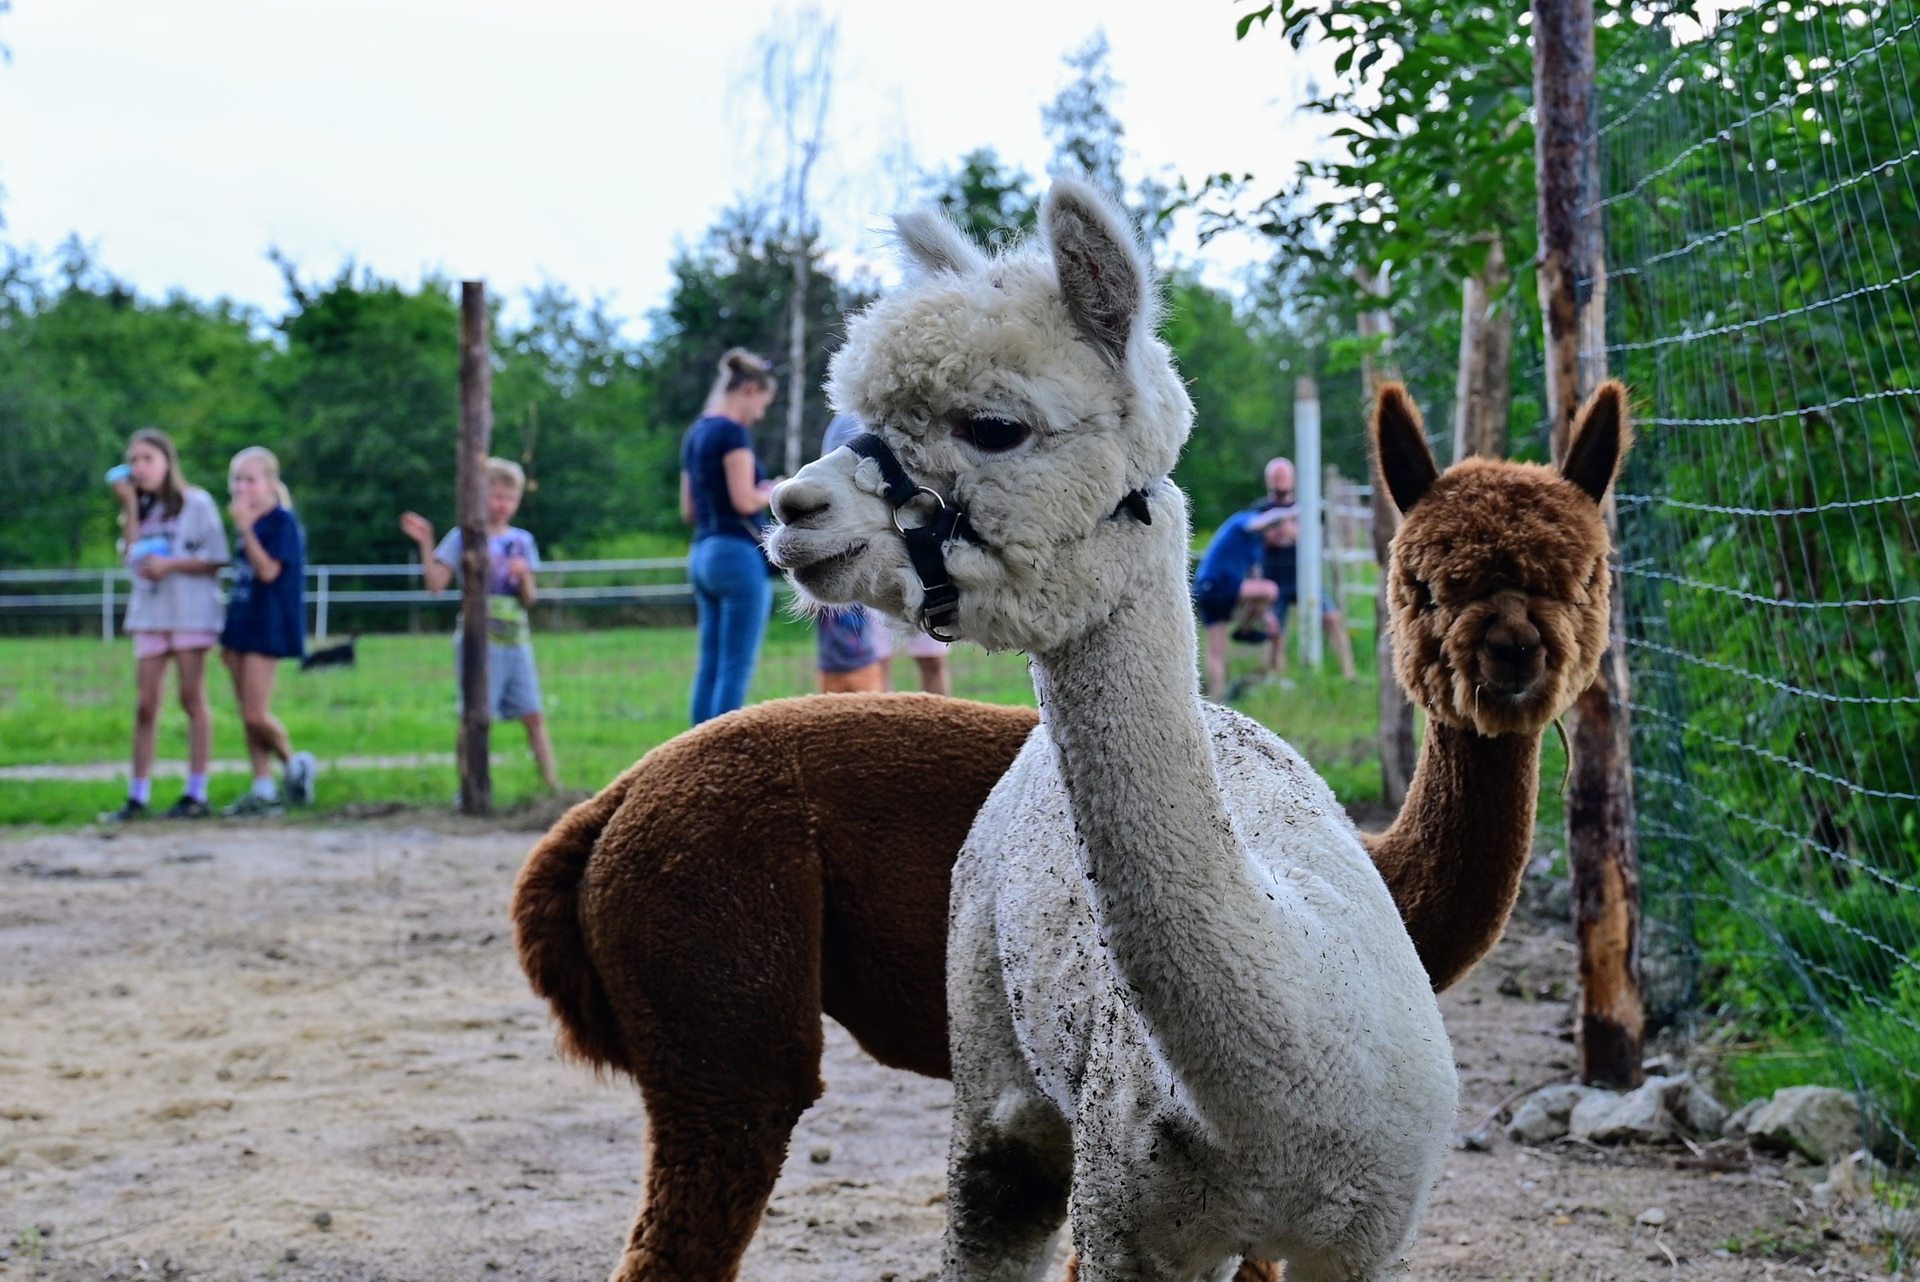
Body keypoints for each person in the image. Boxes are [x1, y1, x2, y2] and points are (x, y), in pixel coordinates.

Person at [398, 457, 560, 791]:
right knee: (474, 718)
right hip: (479, 641)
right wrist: (427, 543)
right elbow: (435, 584)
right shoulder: (463, 537)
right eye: (496, 496)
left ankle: (552, 786)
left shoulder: (522, 542)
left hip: (516, 640)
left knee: (533, 714)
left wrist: (523, 578)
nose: (502, 505)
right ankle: (468, 787)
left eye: (509, 498)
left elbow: (529, 600)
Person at [101, 428, 231, 821]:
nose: (140, 468)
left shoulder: (197, 503)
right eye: (133, 460)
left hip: (190, 612)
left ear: (167, 462)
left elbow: (216, 558)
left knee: (191, 698)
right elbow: (131, 557)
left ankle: (196, 792)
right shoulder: (137, 510)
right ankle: (137, 796)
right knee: (145, 705)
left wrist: (171, 565)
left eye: (147, 459)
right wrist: (130, 508)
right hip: (151, 615)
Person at [819, 412, 953, 695]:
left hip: (922, 554)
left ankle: (939, 729)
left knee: (931, 659)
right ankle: (887, 728)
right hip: (873, 553)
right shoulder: (843, 425)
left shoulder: (912, 414)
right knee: (877, 660)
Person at [218, 447, 317, 817]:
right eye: (237, 480)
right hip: (241, 622)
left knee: (256, 714)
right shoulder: (250, 523)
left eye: (250, 479)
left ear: (270, 484)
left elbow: (268, 572)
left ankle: (295, 765)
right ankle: (263, 785)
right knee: (245, 713)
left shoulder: (281, 522)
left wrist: (245, 528)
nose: (243, 488)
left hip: (270, 624)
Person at [681, 347, 778, 724]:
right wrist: (771, 491)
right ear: (751, 389)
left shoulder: (696, 433)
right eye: (763, 403)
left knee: (709, 664)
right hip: (737, 557)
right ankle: (723, 760)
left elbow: (688, 509)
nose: (760, 413)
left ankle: (693, 753)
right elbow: (743, 501)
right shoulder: (733, 433)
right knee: (735, 666)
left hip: (703, 552)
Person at [1259, 457, 1358, 682]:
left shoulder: (1308, 506)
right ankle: (1276, 678)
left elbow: (1314, 535)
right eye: (1276, 477)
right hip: (1274, 580)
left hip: (1306, 577)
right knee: (1275, 630)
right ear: (1268, 481)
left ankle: (1349, 674)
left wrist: (1288, 532)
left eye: (1283, 477)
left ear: (1292, 480)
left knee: (1332, 617)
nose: (1279, 482)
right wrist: (1283, 533)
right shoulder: (1261, 509)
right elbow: (1264, 538)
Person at [1191, 503, 1292, 699]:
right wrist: (1289, 512)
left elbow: (1255, 580)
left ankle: (1217, 698)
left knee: (1216, 651)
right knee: (1271, 589)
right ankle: (1245, 629)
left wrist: (1267, 616)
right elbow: (1261, 522)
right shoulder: (1243, 521)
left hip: (1210, 591)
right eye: (1278, 533)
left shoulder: (1257, 548)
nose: (1278, 540)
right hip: (1216, 584)